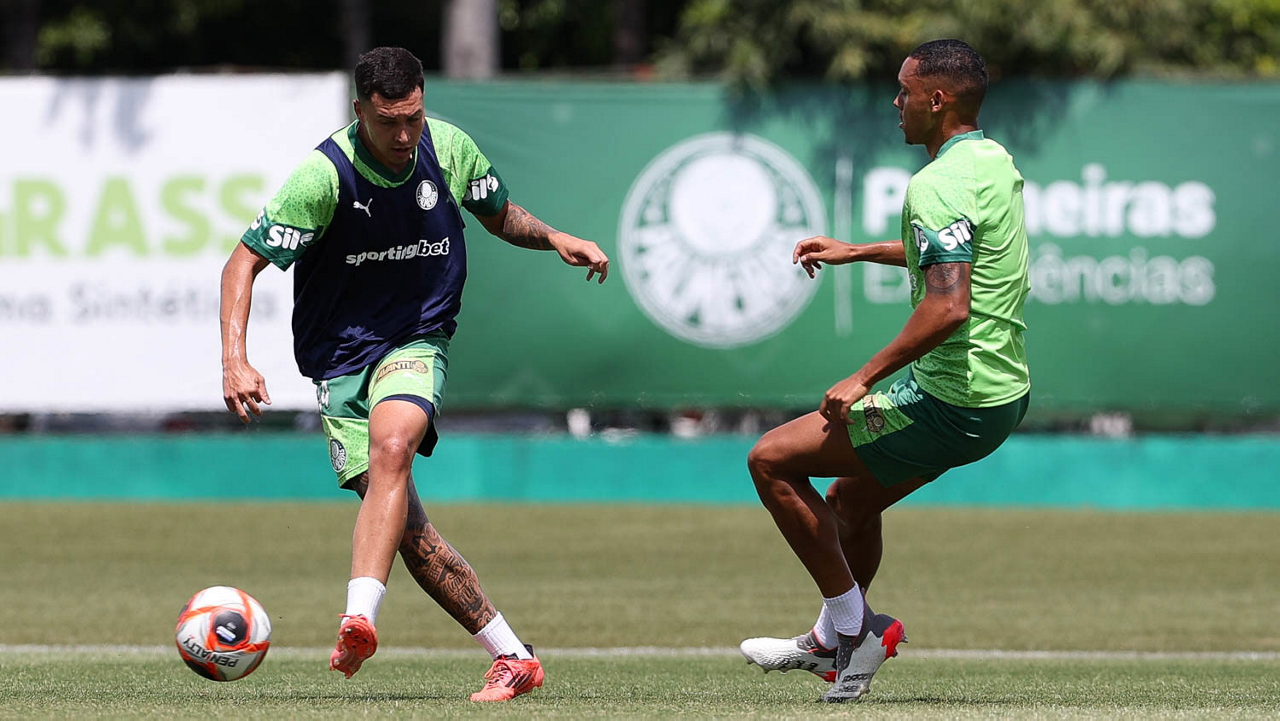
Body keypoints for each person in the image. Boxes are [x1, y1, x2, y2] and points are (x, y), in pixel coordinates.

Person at [219, 46, 608, 702]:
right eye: (388, 123)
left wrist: (554, 237)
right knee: (409, 530)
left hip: (416, 338)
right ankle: (514, 657)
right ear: (359, 112)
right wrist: (235, 358)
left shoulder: (448, 148)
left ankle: (358, 619)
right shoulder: (324, 176)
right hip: (340, 358)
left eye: (413, 119)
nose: (404, 136)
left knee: (394, 445)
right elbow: (242, 263)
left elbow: (499, 214)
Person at [738, 39, 1030, 703]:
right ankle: (832, 642)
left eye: (905, 90)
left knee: (771, 460)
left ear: (938, 99)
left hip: (952, 401)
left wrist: (863, 377)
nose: (895, 102)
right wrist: (858, 250)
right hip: (1000, 393)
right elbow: (956, 256)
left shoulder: (938, 183)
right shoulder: (991, 160)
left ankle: (855, 630)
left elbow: (949, 305)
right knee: (851, 501)